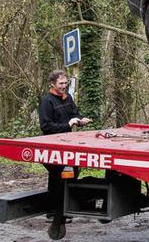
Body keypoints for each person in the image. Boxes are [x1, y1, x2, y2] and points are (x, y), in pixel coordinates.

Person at [38, 69, 91, 238]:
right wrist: (67, 124)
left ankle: (65, 210)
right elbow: (46, 126)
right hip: (52, 146)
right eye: (60, 83)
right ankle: (54, 212)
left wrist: (80, 121)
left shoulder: (68, 98)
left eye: (65, 83)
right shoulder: (46, 101)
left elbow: (74, 114)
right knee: (57, 177)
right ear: (52, 84)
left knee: (72, 173)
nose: (63, 86)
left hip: (68, 145)